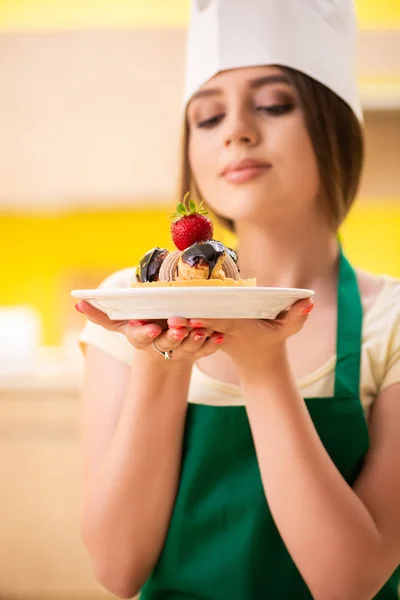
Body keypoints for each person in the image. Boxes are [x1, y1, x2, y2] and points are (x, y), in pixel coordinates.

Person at [76, 0, 400, 598]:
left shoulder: (393, 323)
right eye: (206, 117)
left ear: (334, 126)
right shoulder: (127, 305)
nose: (236, 131)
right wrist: (158, 360)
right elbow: (116, 570)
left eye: (274, 104)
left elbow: (350, 581)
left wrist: (262, 364)